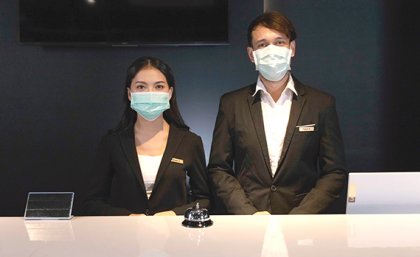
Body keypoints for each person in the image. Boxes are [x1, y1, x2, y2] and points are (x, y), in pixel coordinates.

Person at [207, 11, 347, 215]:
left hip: (302, 226)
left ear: (292, 48)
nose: (271, 50)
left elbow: (334, 172)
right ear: (251, 54)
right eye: (262, 44)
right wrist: (249, 214)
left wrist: (300, 216)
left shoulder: (321, 103)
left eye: (279, 42)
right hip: (248, 224)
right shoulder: (231, 104)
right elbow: (219, 168)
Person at [84, 56, 210, 216]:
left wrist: (174, 214)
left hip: (175, 236)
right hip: (124, 235)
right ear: (129, 93)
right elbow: (92, 202)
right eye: (141, 87)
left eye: (159, 86)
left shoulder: (190, 142)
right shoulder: (112, 143)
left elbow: (204, 200)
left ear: (170, 93)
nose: (150, 93)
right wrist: (127, 217)